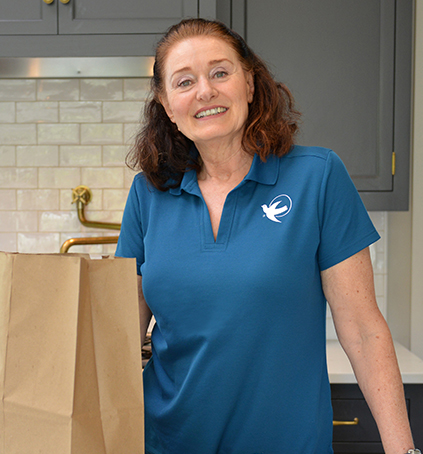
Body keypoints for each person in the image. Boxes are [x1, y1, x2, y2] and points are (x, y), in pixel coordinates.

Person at [116, 18, 417, 454]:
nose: (205, 91)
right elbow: (119, 336)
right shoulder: (148, 193)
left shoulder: (317, 176)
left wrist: (404, 451)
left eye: (220, 72)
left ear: (251, 83)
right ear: (166, 103)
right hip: (164, 442)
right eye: (185, 82)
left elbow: (363, 330)